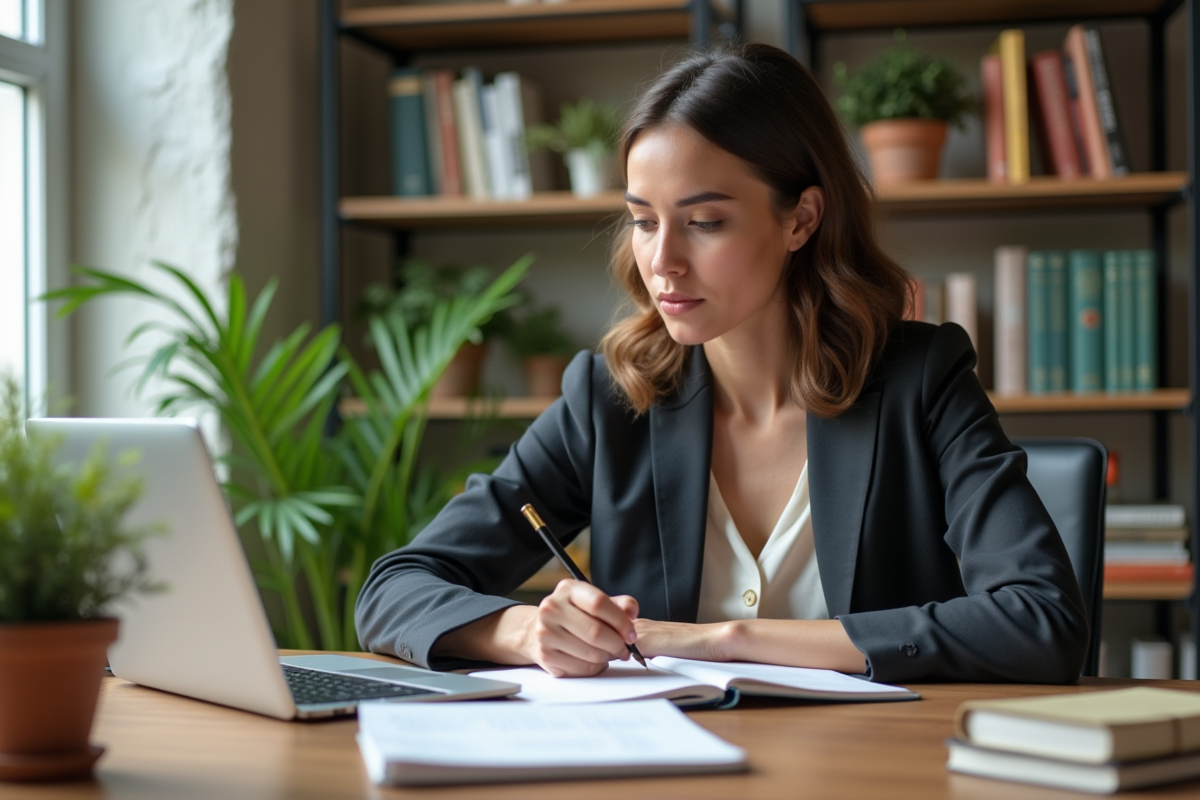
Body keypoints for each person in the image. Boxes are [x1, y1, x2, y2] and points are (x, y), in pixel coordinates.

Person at [355, 43, 1088, 684]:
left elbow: (1041, 622)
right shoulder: (609, 398)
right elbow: (395, 588)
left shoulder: (920, 381)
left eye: (704, 222)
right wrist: (524, 632)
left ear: (801, 218)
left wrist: (722, 641)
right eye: (644, 221)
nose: (661, 262)